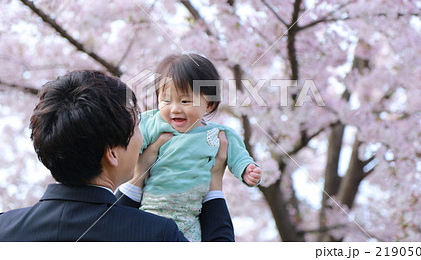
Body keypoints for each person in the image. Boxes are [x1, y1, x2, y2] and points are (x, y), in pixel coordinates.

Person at [0, 70, 234, 242]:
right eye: (136, 128)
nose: (142, 138)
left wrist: (139, 177)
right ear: (112, 153)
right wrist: (214, 184)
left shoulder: (4, 227)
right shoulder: (158, 235)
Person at [138, 53, 262, 241]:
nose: (175, 109)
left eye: (185, 101)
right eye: (166, 100)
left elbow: (238, 156)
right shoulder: (152, 123)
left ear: (209, 104)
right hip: (150, 209)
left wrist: (246, 169)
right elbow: (130, 146)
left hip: (190, 216)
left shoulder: (218, 135)